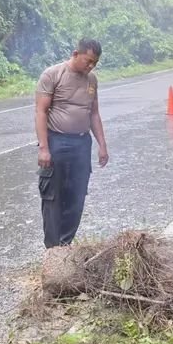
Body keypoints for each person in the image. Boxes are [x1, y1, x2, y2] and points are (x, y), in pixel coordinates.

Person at [35, 39, 109, 248]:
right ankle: (53, 249)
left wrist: (102, 145)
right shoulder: (53, 74)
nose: (90, 66)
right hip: (56, 141)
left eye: (94, 63)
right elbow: (40, 111)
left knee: (76, 195)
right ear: (75, 53)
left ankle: (65, 244)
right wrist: (44, 148)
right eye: (88, 61)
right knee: (52, 197)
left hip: (81, 144)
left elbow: (94, 113)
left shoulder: (91, 80)